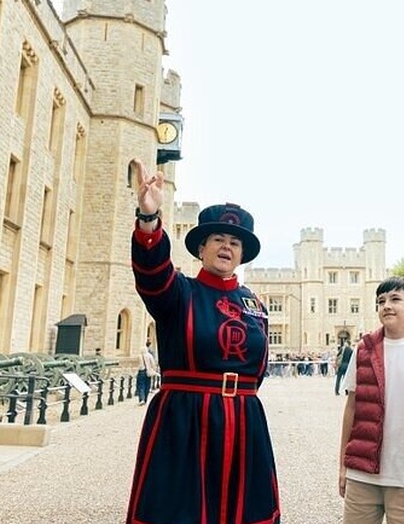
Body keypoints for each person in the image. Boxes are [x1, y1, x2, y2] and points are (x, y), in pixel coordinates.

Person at [125, 159, 280, 524]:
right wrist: (149, 218)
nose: (226, 247)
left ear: (242, 254)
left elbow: (257, 372)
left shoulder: (254, 304)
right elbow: (151, 271)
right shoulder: (180, 292)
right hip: (185, 420)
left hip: (244, 420)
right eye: (218, 240)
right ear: (202, 248)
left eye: (235, 242)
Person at [338, 276, 404, 524]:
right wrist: (343, 466)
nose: (386, 305)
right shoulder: (362, 349)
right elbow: (351, 409)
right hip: (362, 473)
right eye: (381, 301)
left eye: (395, 299)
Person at [136, 341, 158, 406]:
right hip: (148, 372)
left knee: (141, 385)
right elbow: (153, 364)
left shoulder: (139, 356)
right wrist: (153, 370)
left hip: (141, 371)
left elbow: (138, 364)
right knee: (147, 385)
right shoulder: (149, 356)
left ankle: (141, 399)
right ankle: (145, 399)